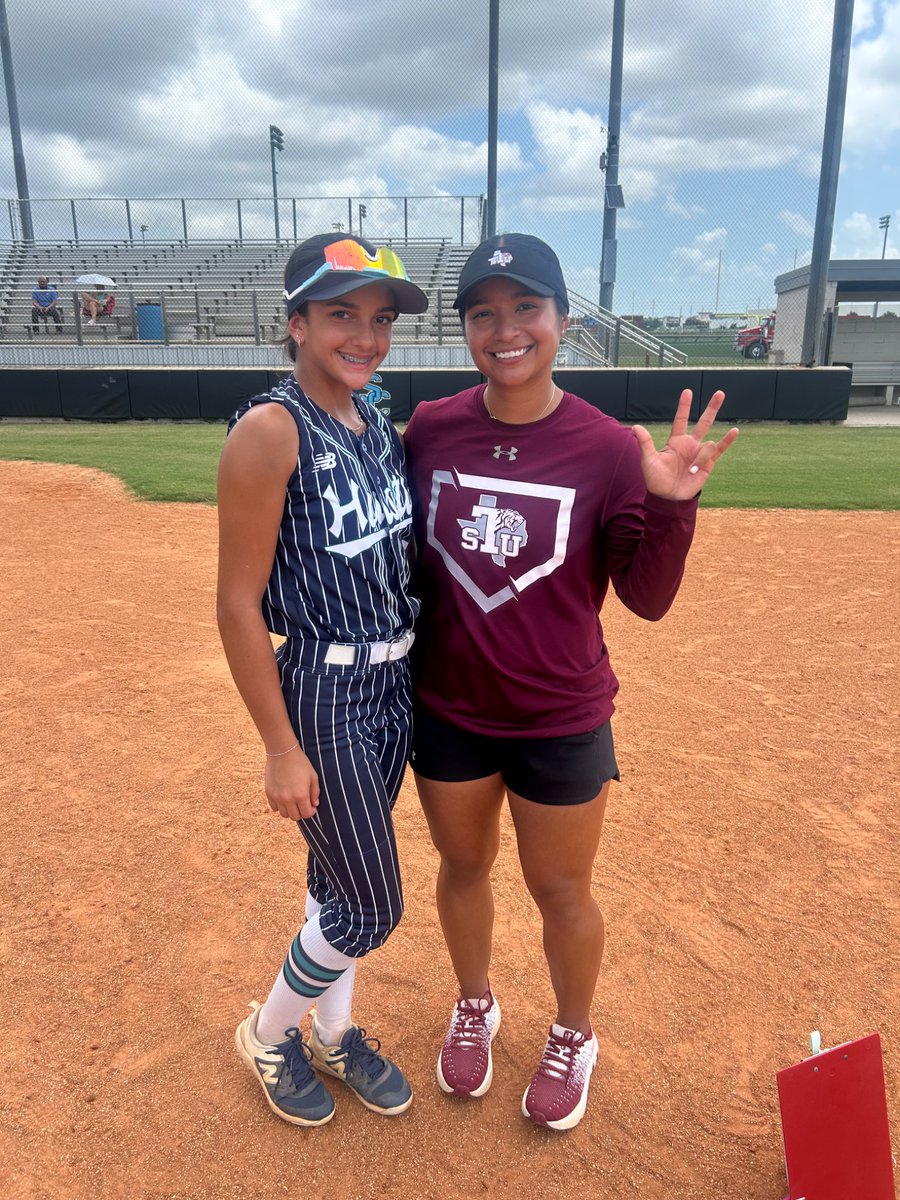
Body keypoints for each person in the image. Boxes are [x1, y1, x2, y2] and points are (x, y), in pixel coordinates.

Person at [402, 232, 738, 1132]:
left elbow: (647, 598)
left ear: (562, 320)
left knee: (561, 891)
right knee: (462, 865)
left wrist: (672, 503)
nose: (506, 329)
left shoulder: (604, 446)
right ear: (465, 328)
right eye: (484, 313)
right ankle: (474, 1002)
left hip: (559, 713)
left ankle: (573, 1032)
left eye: (526, 309)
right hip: (449, 707)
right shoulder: (431, 429)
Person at [216, 233, 428, 1127]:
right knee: (375, 905)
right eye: (342, 314)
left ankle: (335, 1037)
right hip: (324, 693)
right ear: (296, 321)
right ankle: (270, 1033)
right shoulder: (272, 429)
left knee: (336, 879)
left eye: (380, 319)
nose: (366, 335)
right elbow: (235, 604)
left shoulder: (372, 415)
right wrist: (277, 744)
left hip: (391, 686)